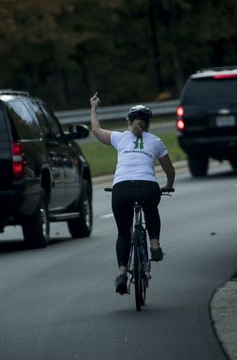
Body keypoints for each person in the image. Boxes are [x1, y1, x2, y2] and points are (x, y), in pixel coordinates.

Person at [89, 92, 175, 295]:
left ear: (129, 121)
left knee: (123, 232)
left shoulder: (119, 137)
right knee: (151, 208)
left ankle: (121, 273)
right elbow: (169, 170)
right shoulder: (156, 141)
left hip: (121, 189)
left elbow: (95, 130)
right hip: (148, 187)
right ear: (149, 123)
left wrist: (93, 108)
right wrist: (168, 185)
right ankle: (154, 246)